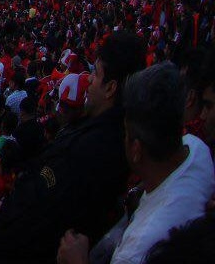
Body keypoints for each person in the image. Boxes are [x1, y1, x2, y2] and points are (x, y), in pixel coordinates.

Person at [0, 31, 147, 263]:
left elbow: (39, 213)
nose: (88, 79)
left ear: (110, 88)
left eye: (96, 74)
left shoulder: (92, 149)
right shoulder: (103, 129)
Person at [57, 62, 215, 264]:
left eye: (126, 133)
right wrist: (139, 191)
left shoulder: (136, 250)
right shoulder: (196, 149)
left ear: (136, 149)